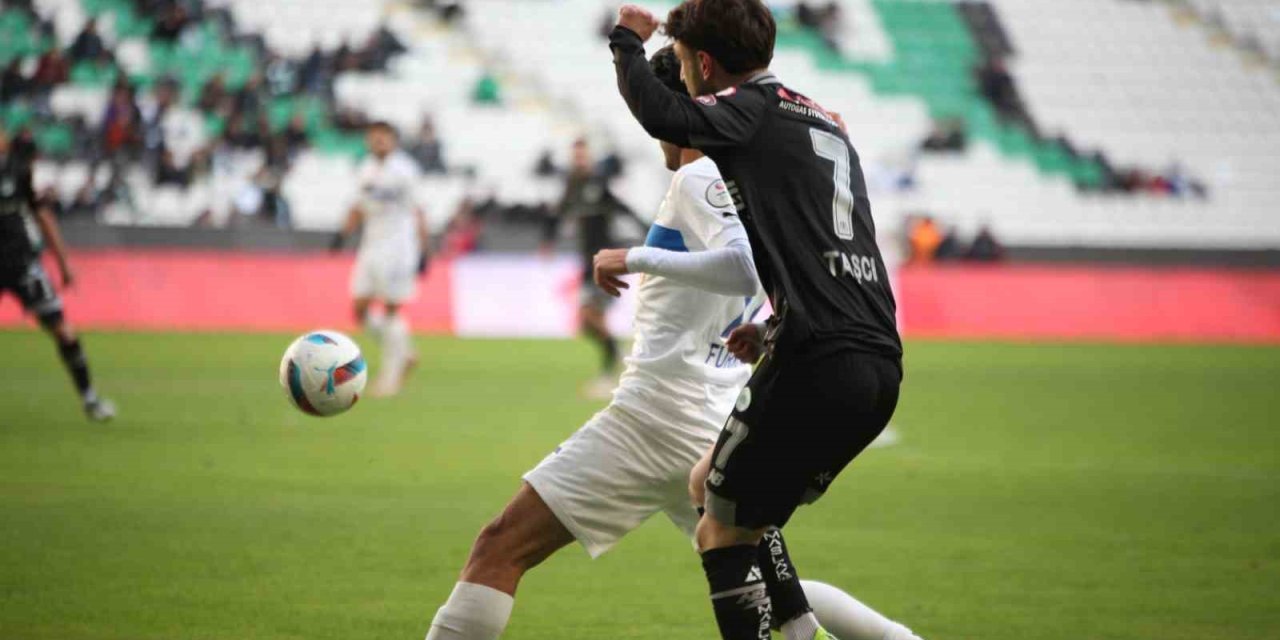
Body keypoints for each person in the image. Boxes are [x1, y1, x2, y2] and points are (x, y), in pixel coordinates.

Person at [424, 47, 918, 640]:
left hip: (657, 415)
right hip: (714, 413)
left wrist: (633, 257)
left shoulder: (699, 175)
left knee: (500, 547)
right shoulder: (749, 178)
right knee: (768, 590)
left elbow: (741, 268)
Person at [607, 4, 908, 639]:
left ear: (703, 63)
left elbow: (664, 115)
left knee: (719, 531)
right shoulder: (822, 121)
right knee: (719, 497)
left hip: (819, 362)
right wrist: (773, 328)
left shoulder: (749, 110)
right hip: (879, 362)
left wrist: (627, 42)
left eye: (682, 63)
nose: (685, 78)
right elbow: (826, 252)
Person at [0, 129, 115, 422]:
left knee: (63, 330)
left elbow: (43, 216)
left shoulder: (18, 173)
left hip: (23, 264)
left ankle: (90, 398)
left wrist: (63, 263)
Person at [330, 121, 430, 397]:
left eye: (384, 138)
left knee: (390, 310)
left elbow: (419, 211)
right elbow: (359, 207)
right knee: (359, 309)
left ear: (394, 141)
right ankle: (405, 352)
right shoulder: (365, 169)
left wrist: (425, 250)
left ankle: (391, 376)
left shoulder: (406, 171)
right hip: (370, 246)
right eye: (374, 138)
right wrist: (342, 235)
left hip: (399, 248)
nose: (379, 142)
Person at [541, 138, 645, 399]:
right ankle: (617, 358)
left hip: (606, 261)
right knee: (586, 323)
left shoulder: (599, 183)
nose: (579, 160)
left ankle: (611, 371)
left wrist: (647, 231)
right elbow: (558, 214)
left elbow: (623, 208)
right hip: (587, 263)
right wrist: (548, 240)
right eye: (576, 156)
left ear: (589, 158)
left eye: (583, 156)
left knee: (591, 315)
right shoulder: (572, 185)